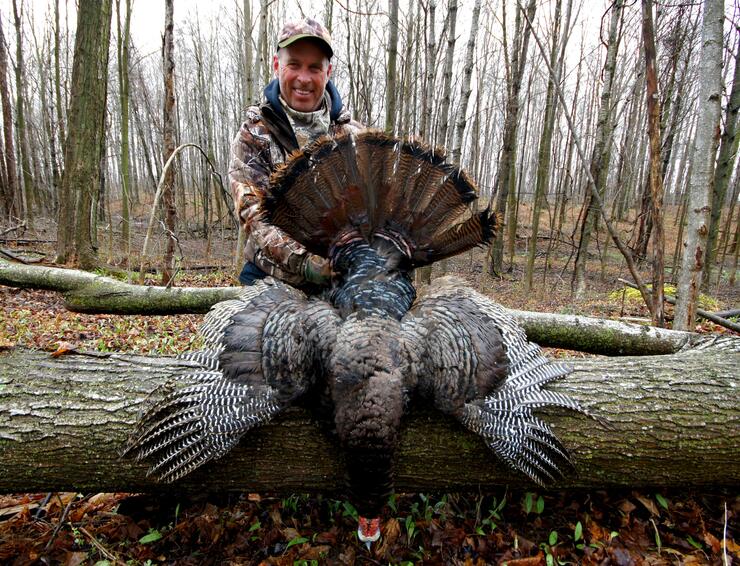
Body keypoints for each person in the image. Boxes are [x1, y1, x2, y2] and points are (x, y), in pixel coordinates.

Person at [229, 18, 363, 291]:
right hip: (269, 279)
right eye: (294, 65)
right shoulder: (253, 136)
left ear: (328, 73)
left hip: (341, 280)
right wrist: (307, 263)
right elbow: (255, 216)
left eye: (314, 67)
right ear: (277, 66)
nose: (304, 78)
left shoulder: (355, 137)